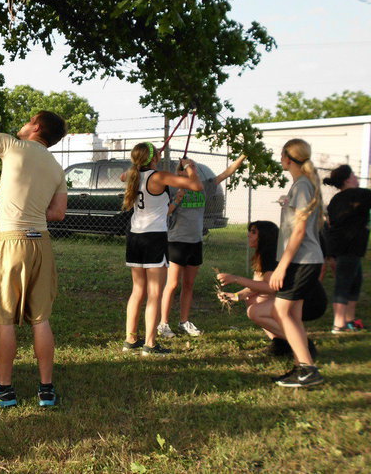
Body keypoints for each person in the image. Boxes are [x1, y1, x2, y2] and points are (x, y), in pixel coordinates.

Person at [0, 111, 67, 408]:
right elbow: (57, 214)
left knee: (4, 317)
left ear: (36, 127)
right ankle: (46, 391)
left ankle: (4, 390)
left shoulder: (12, 145)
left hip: (12, 242)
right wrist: (32, 208)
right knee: (41, 318)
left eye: (28, 119)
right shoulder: (57, 168)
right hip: (41, 244)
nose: (23, 122)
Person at [121, 142, 202, 356]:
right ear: (153, 157)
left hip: (135, 237)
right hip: (154, 238)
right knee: (154, 293)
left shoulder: (133, 175)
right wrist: (189, 166)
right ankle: (150, 343)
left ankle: (130, 339)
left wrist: (146, 162)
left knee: (138, 290)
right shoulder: (158, 177)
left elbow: (124, 175)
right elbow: (196, 185)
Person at [158, 154, 247, 339]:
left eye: (194, 166)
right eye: (190, 166)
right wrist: (177, 199)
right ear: (180, 171)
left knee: (189, 284)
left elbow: (227, 173)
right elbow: (164, 211)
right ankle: (163, 324)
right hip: (176, 241)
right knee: (172, 284)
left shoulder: (203, 186)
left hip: (195, 242)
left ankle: (184, 322)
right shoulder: (173, 187)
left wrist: (244, 155)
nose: (194, 169)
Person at [267, 139, 326, 387]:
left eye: (282, 156)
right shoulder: (301, 185)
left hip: (301, 261)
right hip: (303, 260)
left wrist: (282, 266)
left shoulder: (302, 185)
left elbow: (299, 232)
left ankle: (308, 369)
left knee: (280, 311)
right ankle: (302, 366)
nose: (280, 160)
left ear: (288, 158)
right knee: (293, 314)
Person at [216, 221, 322, 358]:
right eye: (249, 231)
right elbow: (257, 286)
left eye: (253, 232)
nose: (248, 235)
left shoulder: (270, 254)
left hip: (310, 302)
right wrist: (236, 295)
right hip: (297, 298)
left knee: (255, 311)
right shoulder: (265, 253)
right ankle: (280, 344)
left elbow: (270, 288)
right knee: (253, 300)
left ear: (265, 236)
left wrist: (235, 278)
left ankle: (303, 345)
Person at [322, 164, 371, 333]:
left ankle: (350, 321)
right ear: (348, 178)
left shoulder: (336, 200)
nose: (357, 178)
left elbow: (330, 226)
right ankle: (338, 324)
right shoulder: (360, 195)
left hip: (342, 249)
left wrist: (330, 254)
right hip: (348, 248)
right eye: (355, 175)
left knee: (355, 283)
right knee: (343, 284)